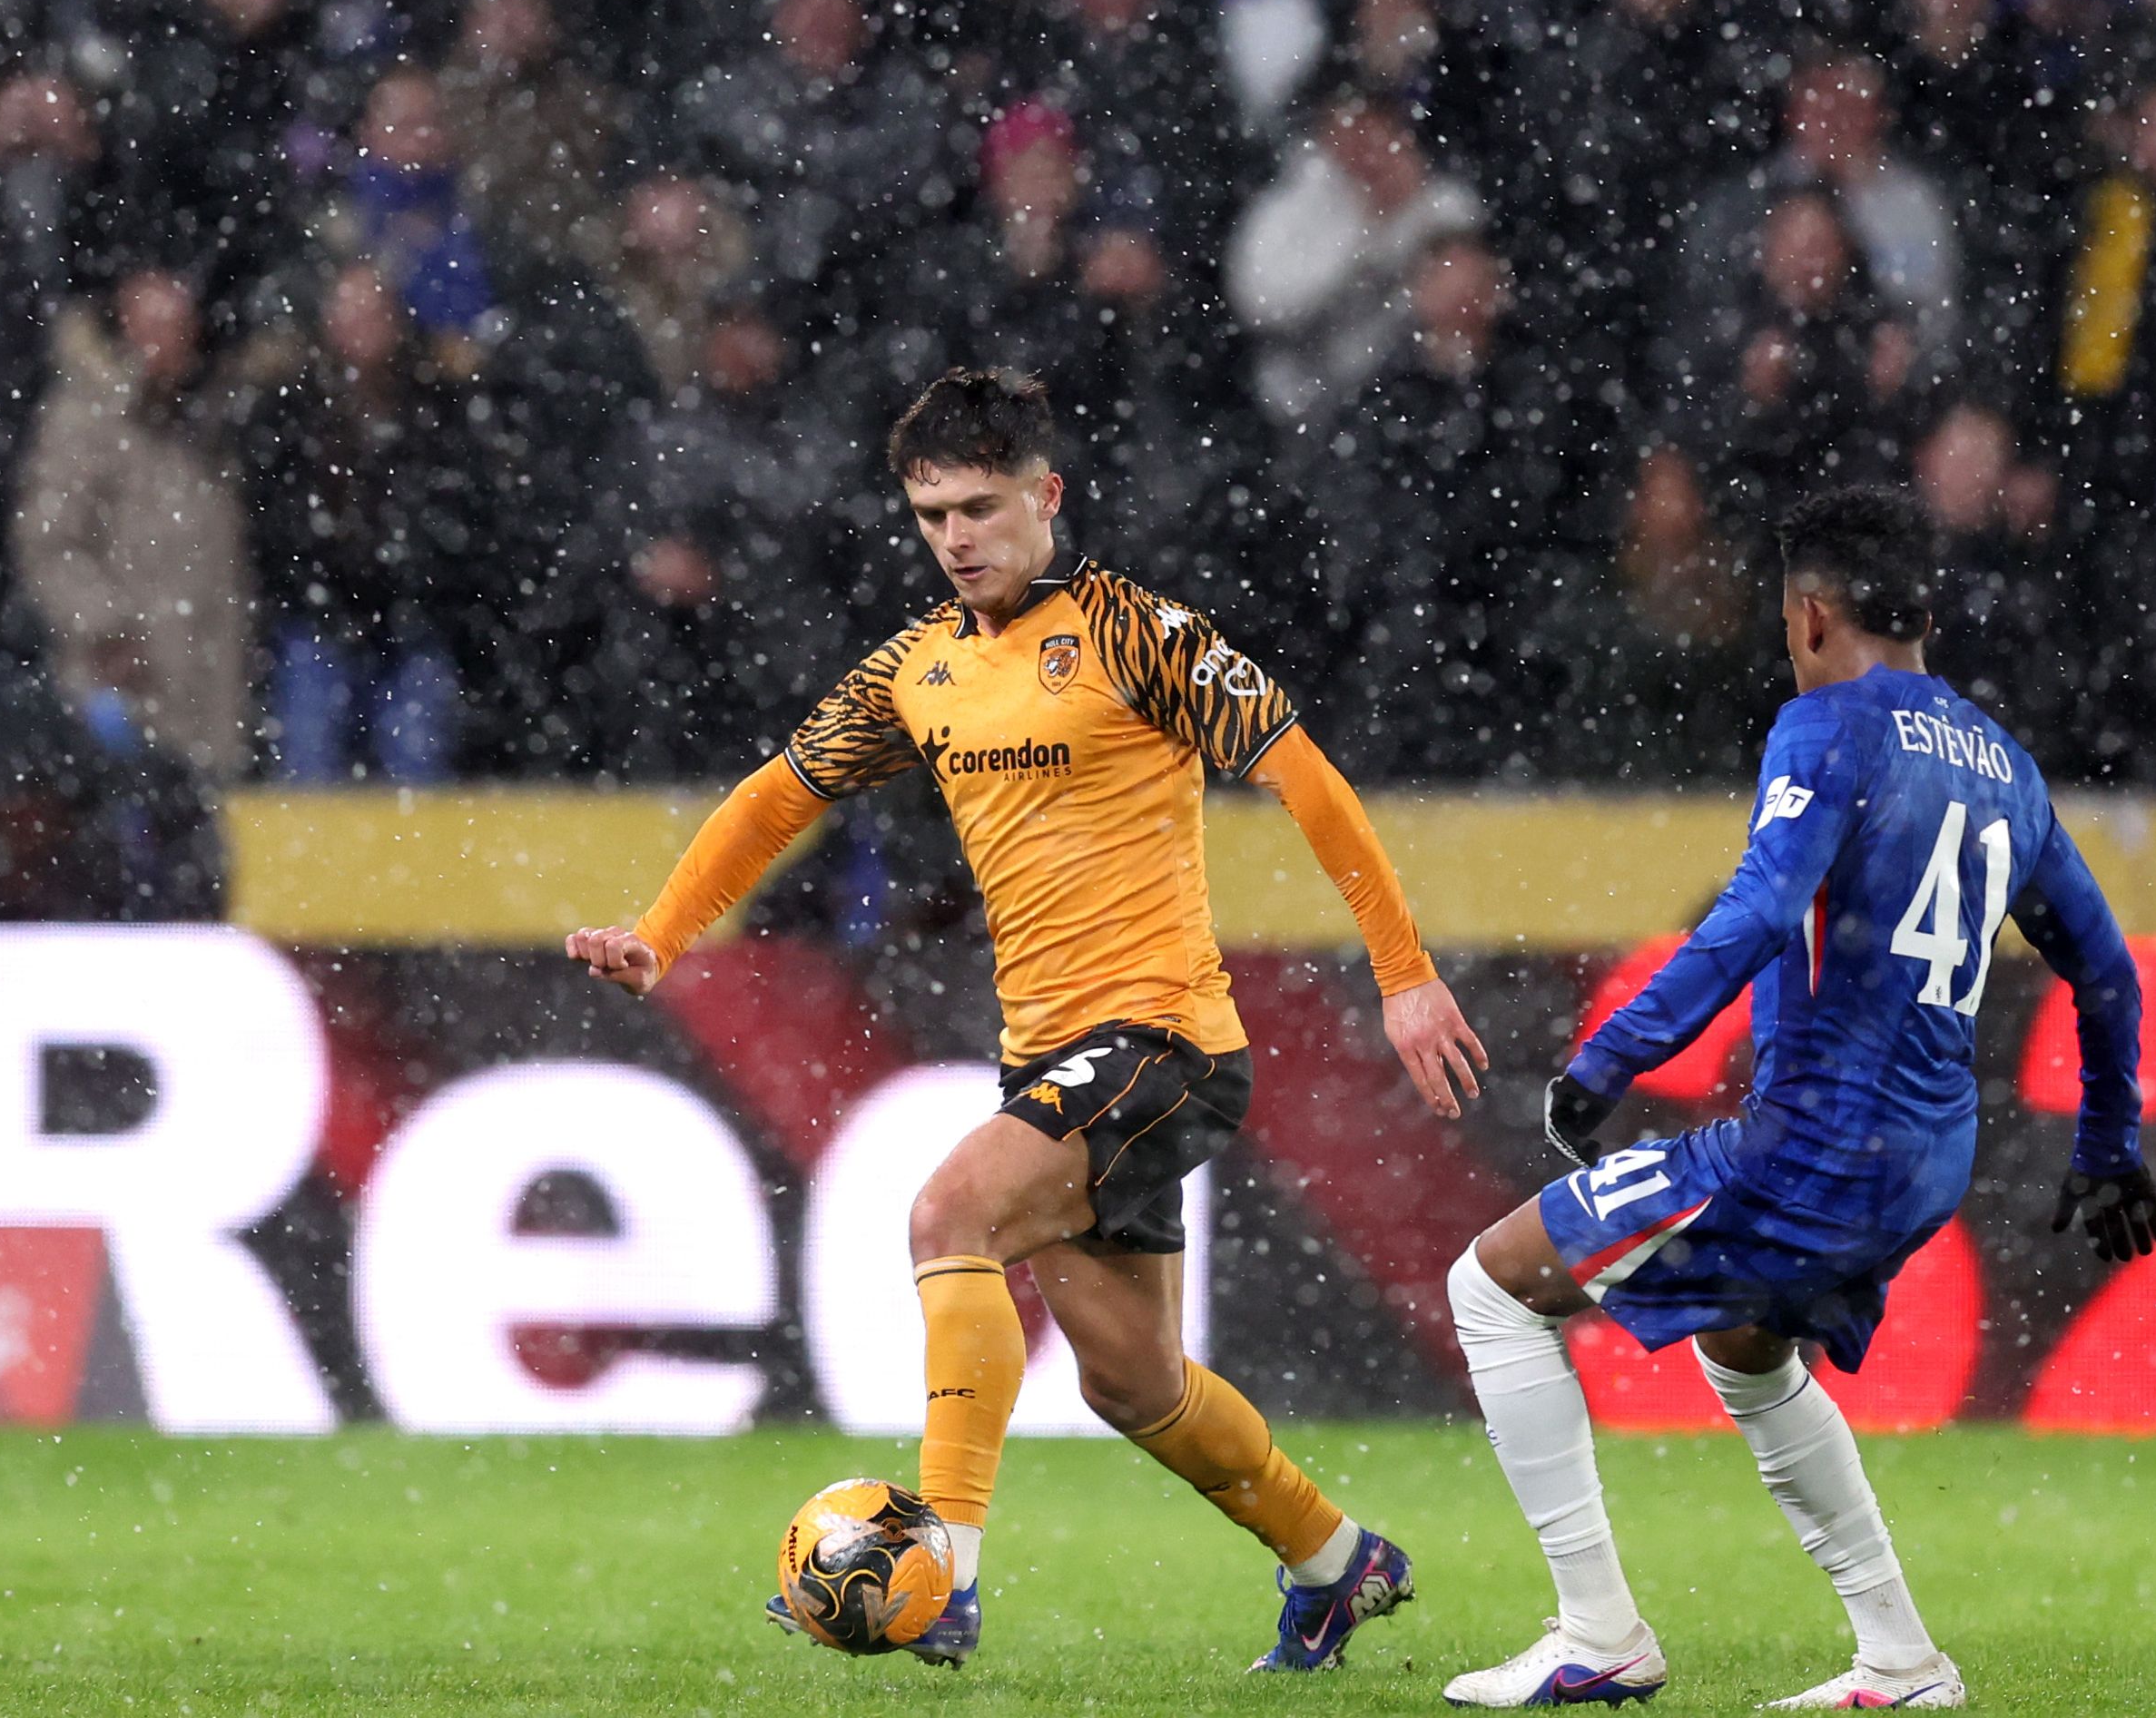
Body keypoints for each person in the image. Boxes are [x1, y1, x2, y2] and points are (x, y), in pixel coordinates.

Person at [565, 369, 1485, 1672]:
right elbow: (779, 796)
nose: (956, 537)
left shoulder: (1140, 636)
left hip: (1165, 1041)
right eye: (932, 513)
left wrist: (1401, 971)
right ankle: (1336, 1560)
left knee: (949, 1218)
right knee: (1134, 1385)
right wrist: (662, 933)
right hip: (1056, 1055)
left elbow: (1305, 778)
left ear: (1047, 497)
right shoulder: (917, 667)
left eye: (981, 507)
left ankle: (939, 1571)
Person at [1441, 485, 2156, 1710]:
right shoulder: (2004, 766)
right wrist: (2108, 1143)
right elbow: (2104, 970)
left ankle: (1595, 1634)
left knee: (1493, 1288)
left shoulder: (1825, 727)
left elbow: (1760, 912)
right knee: (1746, 1346)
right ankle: (1899, 1657)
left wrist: (1605, 1062)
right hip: (1928, 1153)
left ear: (1812, 616)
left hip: (1815, 1144)